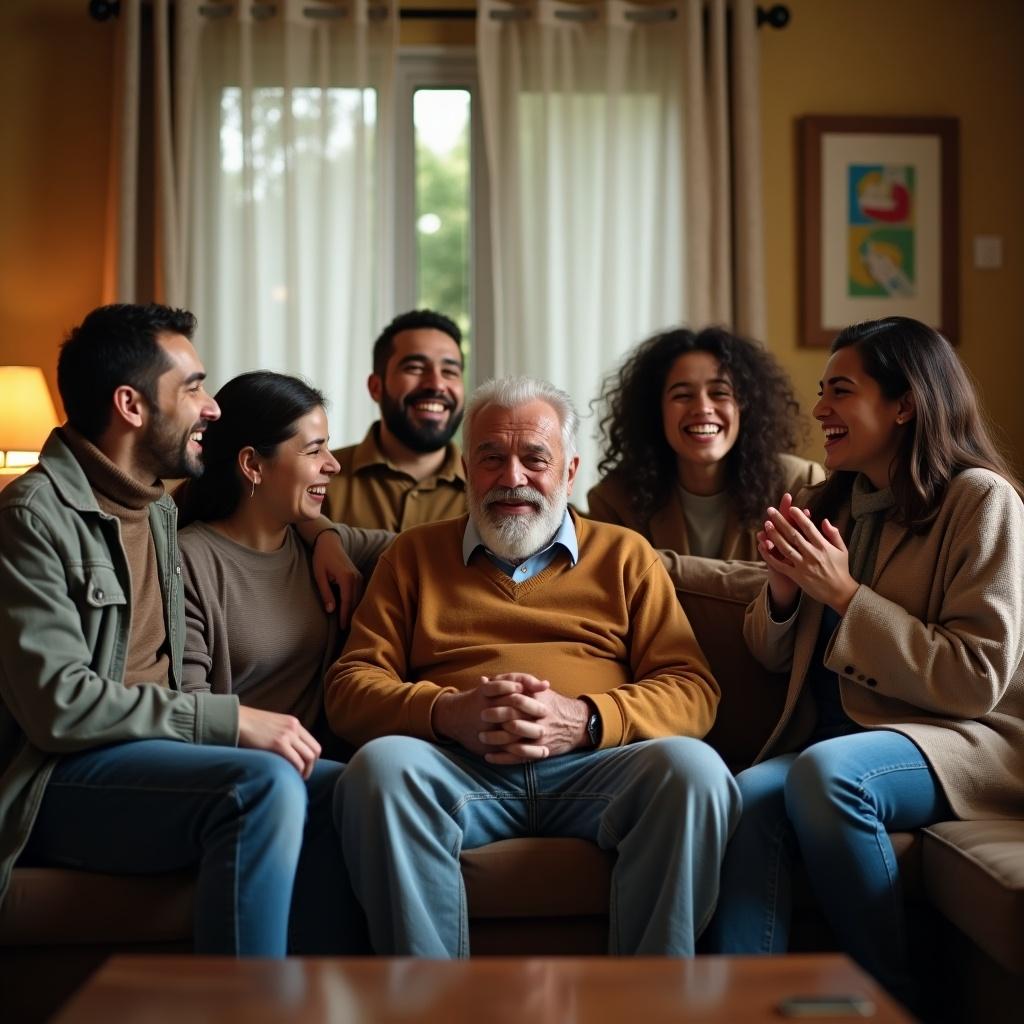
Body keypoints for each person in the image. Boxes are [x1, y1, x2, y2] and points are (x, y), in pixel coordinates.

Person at [326, 376, 740, 957]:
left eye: (534, 459)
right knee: (379, 769)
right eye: (492, 458)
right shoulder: (412, 555)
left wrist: (587, 719)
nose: (512, 478)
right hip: (458, 770)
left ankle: (654, 1003)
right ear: (468, 469)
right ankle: (428, 1005)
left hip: (598, 771)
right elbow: (350, 687)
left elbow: (692, 688)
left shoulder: (625, 555)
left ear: (570, 471)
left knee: (693, 770)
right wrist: (447, 713)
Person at [0, 304, 354, 956]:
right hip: (58, 780)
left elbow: (261, 503)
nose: (212, 408)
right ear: (132, 406)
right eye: (192, 388)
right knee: (264, 783)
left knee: (349, 788)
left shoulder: (156, 507)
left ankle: (321, 1000)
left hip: (152, 762)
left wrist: (320, 529)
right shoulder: (32, 517)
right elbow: (58, 707)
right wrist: (232, 721)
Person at [704, 317, 1024, 1007]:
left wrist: (847, 595)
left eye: (840, 391)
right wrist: (787, 595)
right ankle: (740, 1006)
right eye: (822, 391)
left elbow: (974, 678)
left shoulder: (981, 501)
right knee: (746, 798)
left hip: (960, 743)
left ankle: (891, 1001)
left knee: (827, 773)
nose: (819, 408)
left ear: (904, 403)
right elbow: (767, 652)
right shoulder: (835, 503)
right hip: (836, 743)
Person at [176, 371, 392, 751]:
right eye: (314, 450)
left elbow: (425, 550)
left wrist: (323, 533)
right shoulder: (189, 561)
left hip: (327, 765)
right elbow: (191, 707)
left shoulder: (321, 545)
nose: (333, 465)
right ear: (253, 465)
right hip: (242, 774)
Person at [587, 326, 823, 559]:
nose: (702, 408)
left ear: (745, 406)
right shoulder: (613, 500)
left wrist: (657, 566)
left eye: (719, 393)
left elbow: (809, 586)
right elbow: (618, 589)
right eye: (682, 395)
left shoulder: (800, 484)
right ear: (655, 411)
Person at [324, 309, 467, 531]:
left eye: (449, 371)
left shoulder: (489, 491)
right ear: (375, 387)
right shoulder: (320, 480)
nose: (437, 384)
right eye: (415, 368)